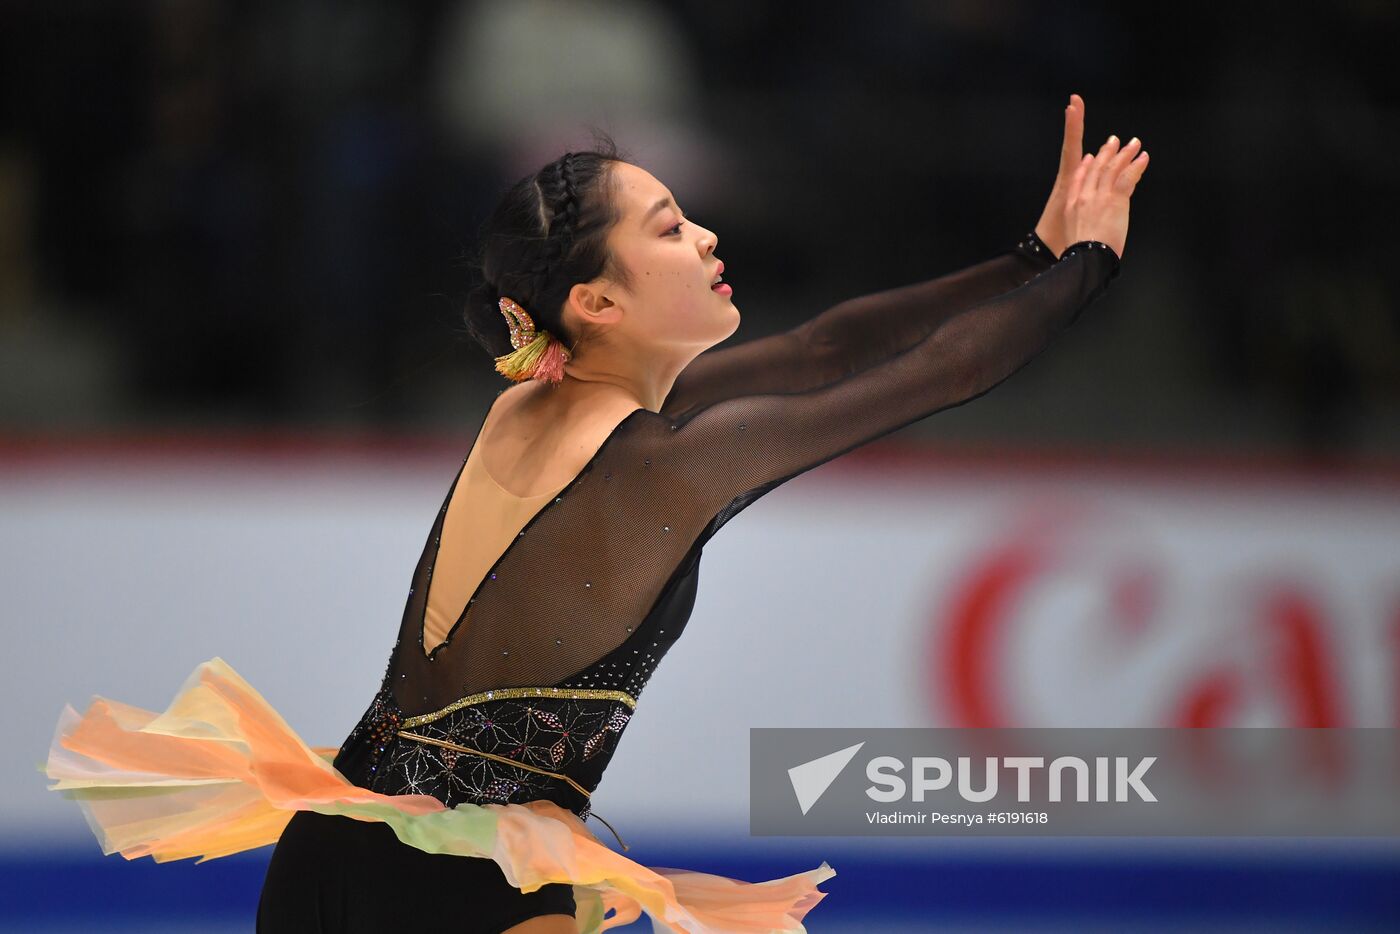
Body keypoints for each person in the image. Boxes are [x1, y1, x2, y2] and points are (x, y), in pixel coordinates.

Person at [43, 95, 1146, 933]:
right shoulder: (660, 466)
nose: (704, 237)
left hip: (337, 840)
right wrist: (1090, 264)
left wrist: (1029, 257)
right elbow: (940, 374)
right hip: (469, 884)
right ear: (597, 302)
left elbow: (825, 346)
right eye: (668, 229)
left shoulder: (534, 398)